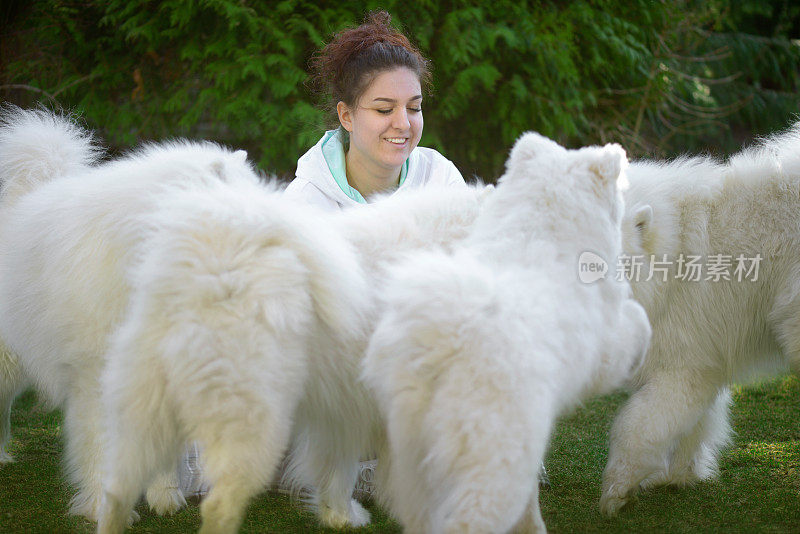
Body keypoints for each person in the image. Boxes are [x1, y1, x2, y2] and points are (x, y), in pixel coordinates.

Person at [284, 10, 467, 209]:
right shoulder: (305, 204)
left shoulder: (440, 181)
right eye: (384, 109)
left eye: (414, 107)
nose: (403, 123)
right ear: (346, 116)